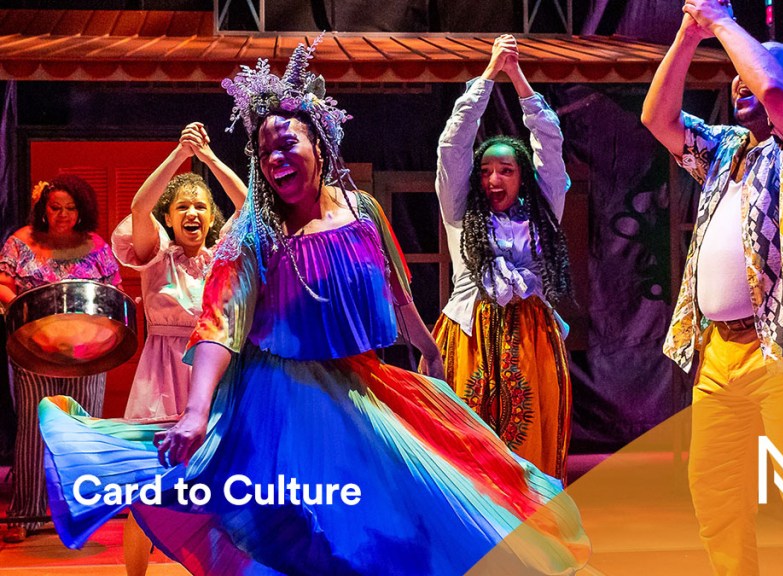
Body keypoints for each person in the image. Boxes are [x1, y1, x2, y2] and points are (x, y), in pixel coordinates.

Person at [36, 39, 589, 575]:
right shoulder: (254, 232)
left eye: (288, 144)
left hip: (356, 387)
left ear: (319, 148)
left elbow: (396, 290)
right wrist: (198, 410)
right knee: (296, 526)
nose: (276, 157)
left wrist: (427, 349)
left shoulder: (362, 212)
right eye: (265, 149)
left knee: (411, 510)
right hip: (274, 400)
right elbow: (220, 325)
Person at [641, 1, 783, 573]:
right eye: (733, 77)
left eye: (752, 74)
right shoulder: (725, 150)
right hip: (719, 354)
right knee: (715, 498)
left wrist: (722, 23)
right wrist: (690, 36)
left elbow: (778, 98)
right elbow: (658, 119)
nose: (740, 82)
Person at [433, 34, 575, 482]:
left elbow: (549, 145)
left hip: (532, 338)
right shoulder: (459, 211)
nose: (494, 178)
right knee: (468, 454)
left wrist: (517, 77)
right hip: (469, 334)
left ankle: (533, 541)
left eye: (506, 170)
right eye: (486, 171)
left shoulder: (544, 210)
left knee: (530, 449)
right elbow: (452, 146)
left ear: (522, 178)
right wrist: (489, 75)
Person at [111, 122, 246, 576]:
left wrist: (207, 159)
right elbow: (139, 205)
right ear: (169, 218)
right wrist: (178, 155)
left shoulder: (222, 256)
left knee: (213, 492)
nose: (192, 213)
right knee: (145, 495)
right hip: (160, 378)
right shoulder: (155, 255)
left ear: (211, 218)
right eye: (183, 207)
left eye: (201, 207)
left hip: (211, 378)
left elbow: (247, 204)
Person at [0, 174, 123, 543]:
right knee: (34, 431)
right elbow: (3, 283)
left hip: (86, 350)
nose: (63, 215)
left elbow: (112, 291)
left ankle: (79, 511)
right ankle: (26, 514)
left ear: (81, 210)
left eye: (70, 208)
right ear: (43, 208)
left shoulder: (96, 246)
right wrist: (12, 302)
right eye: (55, 208)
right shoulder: (21, 243)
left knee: (83, 430)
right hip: (35, 348)